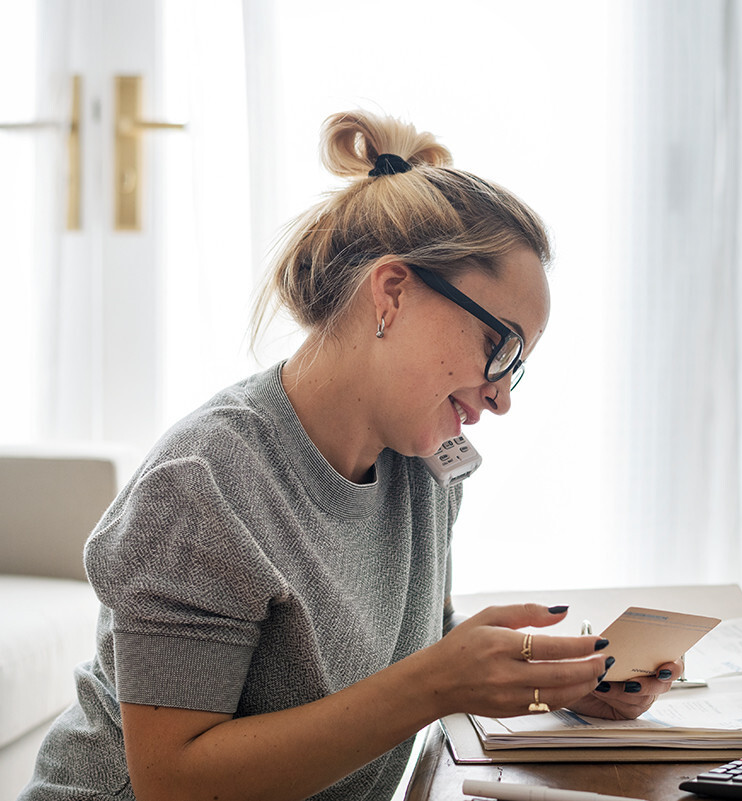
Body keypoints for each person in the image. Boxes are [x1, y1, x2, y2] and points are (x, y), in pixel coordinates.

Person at [18, 110, 681, 801]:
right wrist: (438, 682)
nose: (501, 396)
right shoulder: (204, 484)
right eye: (501, 348)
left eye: (518, 366)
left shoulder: (428, 463)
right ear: (392, 292)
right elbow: (173, 782)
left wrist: (557, 684)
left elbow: (405, 650)